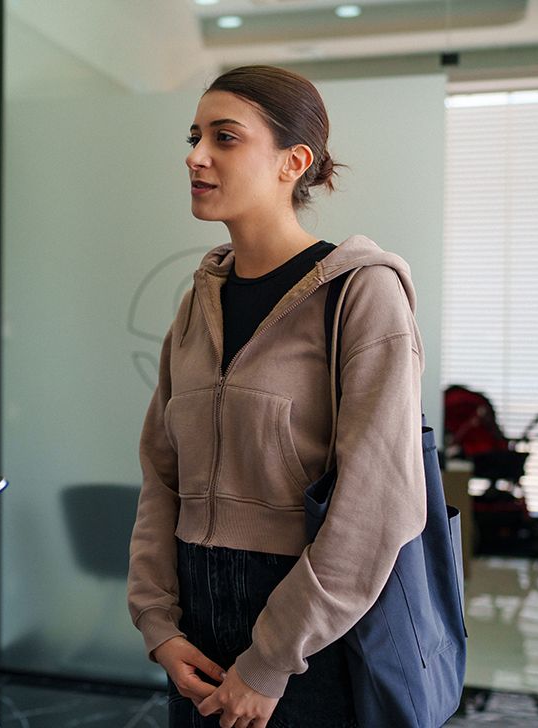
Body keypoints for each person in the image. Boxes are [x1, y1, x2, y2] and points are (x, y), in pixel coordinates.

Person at [126, 65, 427, 728]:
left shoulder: (361, 294)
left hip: (312, 635)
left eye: (224, 138)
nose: (195, 155)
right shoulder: (198, 302)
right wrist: (158, 622)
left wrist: (270, 661)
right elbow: (160, 473)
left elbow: (377, 502)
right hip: (196, 631)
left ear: (294, 162)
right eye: (195, 135)